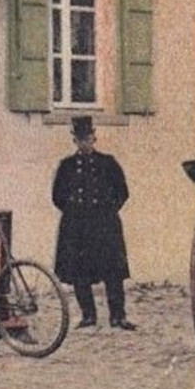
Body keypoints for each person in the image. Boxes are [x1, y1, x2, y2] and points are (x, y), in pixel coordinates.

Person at [53, 116, 134, 330]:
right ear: (75, 141)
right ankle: (88, 316)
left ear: (94, 137)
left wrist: (107, 210)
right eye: (80, 139)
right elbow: (57, 196)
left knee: (113, 271)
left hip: (105, 225)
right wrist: (75, 213)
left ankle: (118, 316)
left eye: (88, 138)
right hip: (77, 226)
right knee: (80, 271)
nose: (85, 143)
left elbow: (122, 192)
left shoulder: (108, 163)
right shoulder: (67, 166)